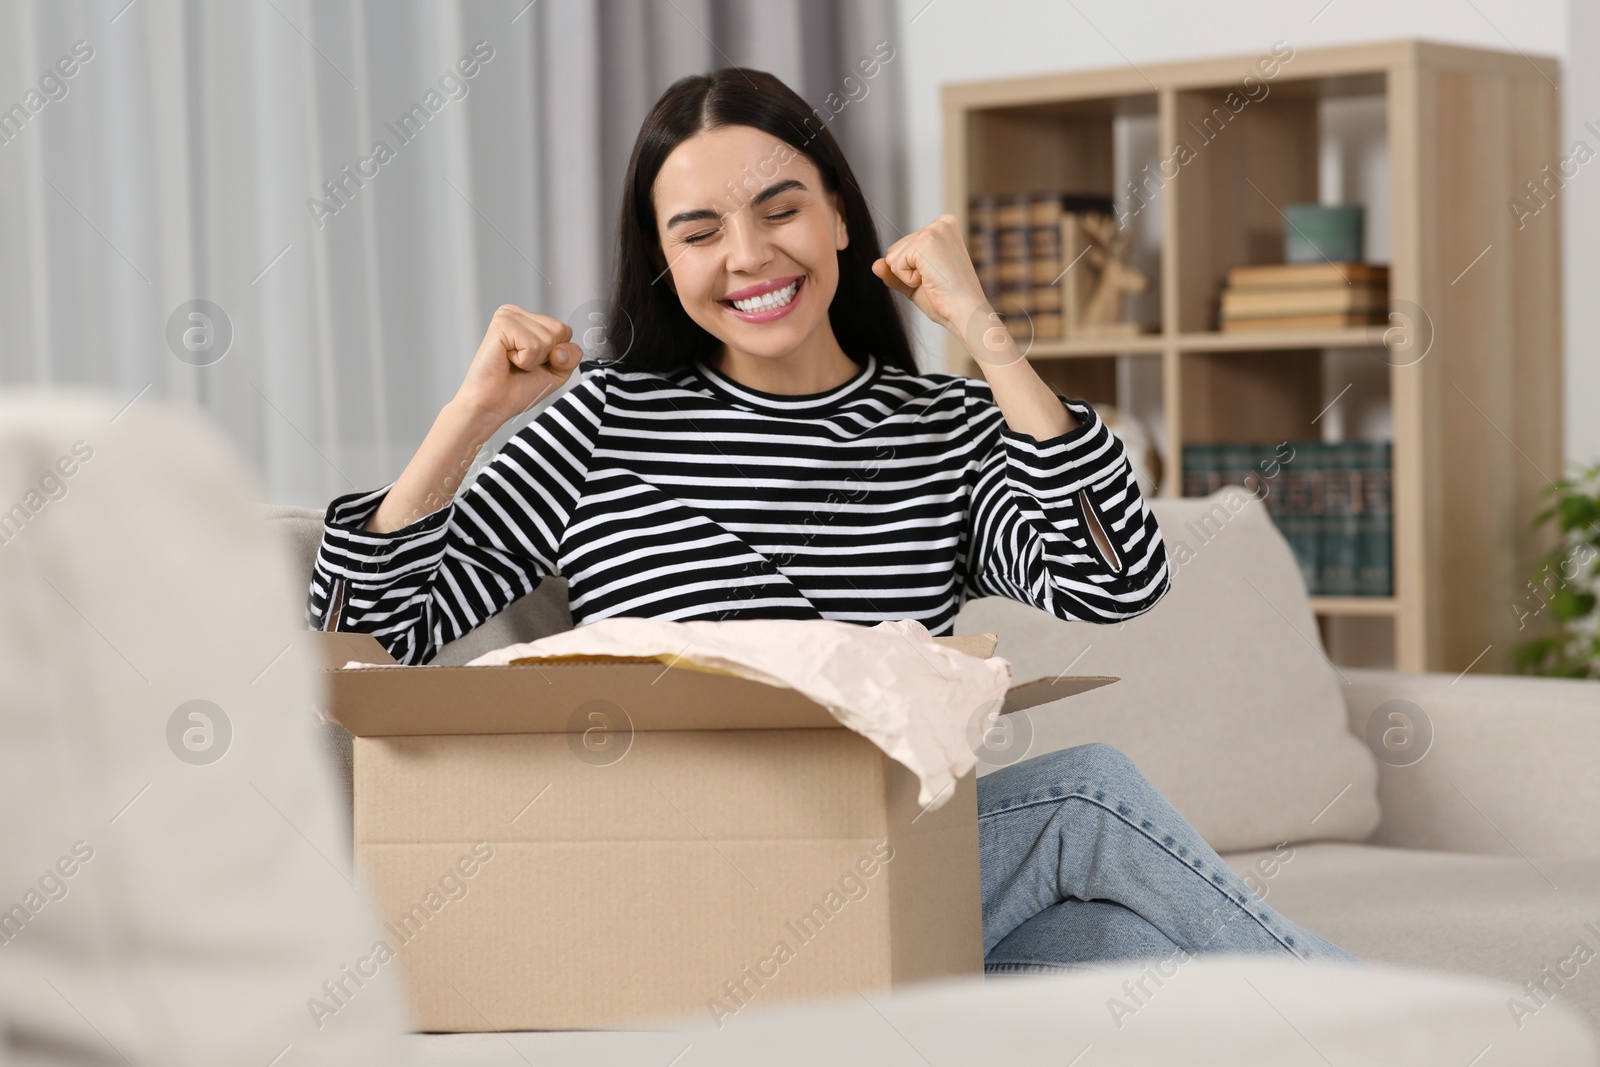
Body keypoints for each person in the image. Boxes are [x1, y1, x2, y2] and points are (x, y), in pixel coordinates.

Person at [309, 67, 1357, 972]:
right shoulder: (602, 423)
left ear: (841, 217)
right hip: (673, 878)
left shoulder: (939, 429)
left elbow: (1115, 577)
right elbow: (372, 637)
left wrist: (986, 334)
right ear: (664, 260)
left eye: (781, 208)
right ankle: (1403, 1027)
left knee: (1130, 958)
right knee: (1085, 794)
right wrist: (468, 417)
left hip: (888, 877)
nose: (749, 254)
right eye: (700, 231)